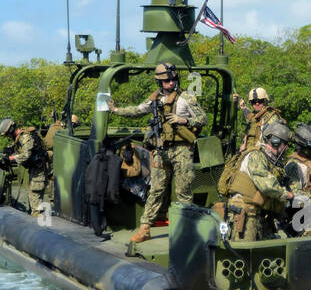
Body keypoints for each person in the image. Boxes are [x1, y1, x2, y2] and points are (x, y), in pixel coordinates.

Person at [108, 62, 207, 242]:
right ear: (160, 82)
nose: (171, 83)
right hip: (161, 150)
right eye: (167, 80)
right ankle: (145, 228)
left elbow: (202, 118)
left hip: (182, 150)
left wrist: (182, 119)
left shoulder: (186, 97)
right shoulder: (155, 99)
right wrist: (116, 110)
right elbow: (138, 110)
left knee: (183, 191)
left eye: (173, 79)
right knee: (155, 190)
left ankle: (186, 229)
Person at [224, 121, 293, 241]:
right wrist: (287, 195)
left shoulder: (269, 159)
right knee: (246, 253)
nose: (286, 149)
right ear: (276, 142)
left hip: (258, 213)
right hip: (245, 213)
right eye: (285, 144)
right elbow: (266, 184)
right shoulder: (256, 156)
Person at [218, 87, 282, 198]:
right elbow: (248, 116)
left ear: (265, 101)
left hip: (261, 158)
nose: (256, 104)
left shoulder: (271, 119)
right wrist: (241, 103)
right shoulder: (256, 116)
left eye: (260, 101)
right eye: (253, 102)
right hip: (249, 155)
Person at [0, 117, 49, 216]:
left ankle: (38, 224)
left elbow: (26, 155)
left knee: (36, 207)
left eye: (8, 134)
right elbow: (20, 149)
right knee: (33, 201)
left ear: (11, 130)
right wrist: (10, 150)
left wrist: (11, 158)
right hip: (35, 171)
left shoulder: (26, 137)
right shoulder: (21, 137)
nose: (8, 136)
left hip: (38, 172)